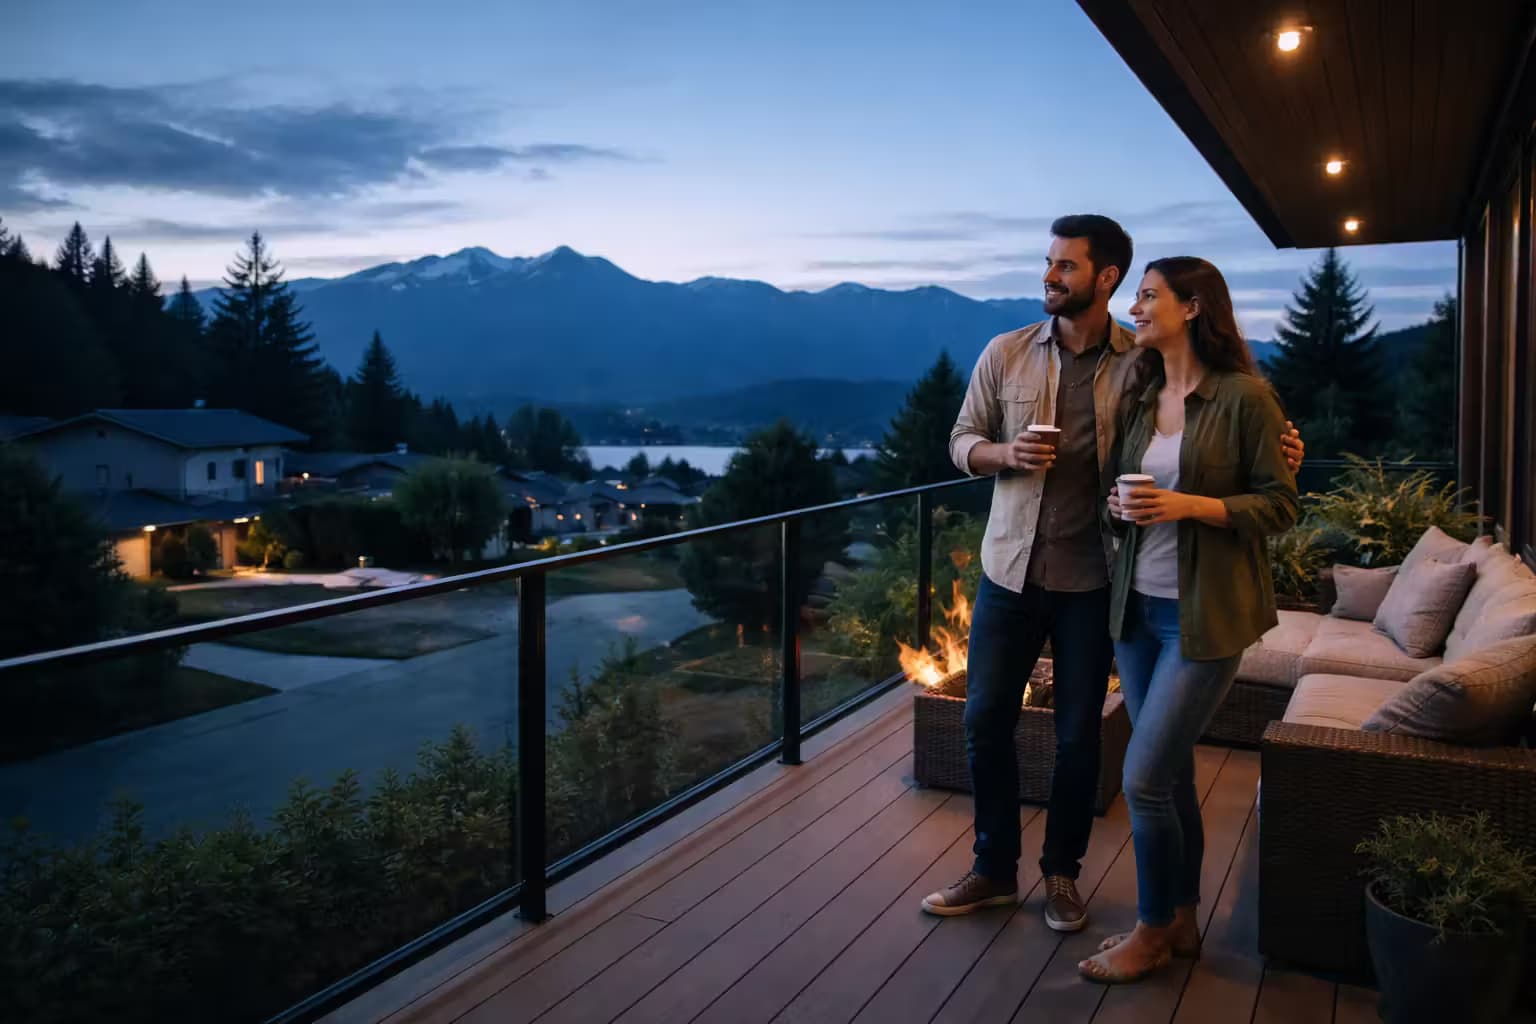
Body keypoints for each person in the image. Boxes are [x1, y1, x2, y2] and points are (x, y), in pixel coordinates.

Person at [923, 218, 1304, 932]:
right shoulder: (1005, 353)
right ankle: (993, 869)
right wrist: (1004, 457)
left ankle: (1061, 875)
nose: (1049, 276)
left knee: (1077, 739)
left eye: (1065, 266)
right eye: (1048, 263)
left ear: (1107, 279)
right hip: (1009, 572)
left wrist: (1280, 447)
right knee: (983, 723)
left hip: (1101, 581)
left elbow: (1208, 428)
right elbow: (958, 440)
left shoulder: (1142, 363)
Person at [1078, 256, 1299, 984]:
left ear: (1194, 307)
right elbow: (1129, 494)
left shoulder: (1245, 400)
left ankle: (1146, 930)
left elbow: (1280, 506)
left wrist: (1190, 507)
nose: (1134, 307)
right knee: (1167, 776)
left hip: (1204, 619)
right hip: (1137, 610)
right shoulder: (1143, 397)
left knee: (1141, 776)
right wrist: (1122, 509)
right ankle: (1180, 917)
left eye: (1146, 296)